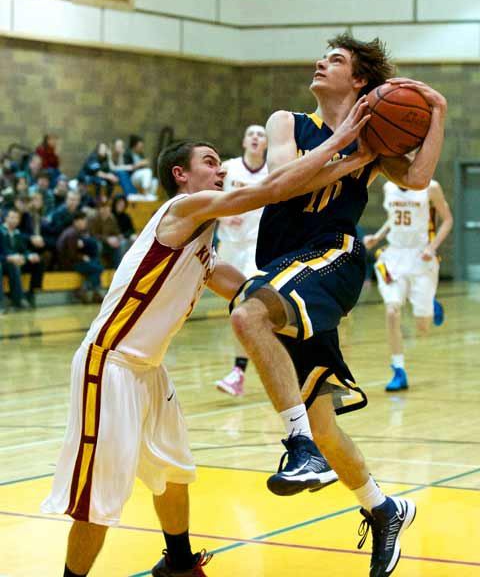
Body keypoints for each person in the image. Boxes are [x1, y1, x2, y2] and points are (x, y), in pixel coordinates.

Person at [41, 107, 373, 577]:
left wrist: (313, 305)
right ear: (181, 175)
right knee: (101, 496)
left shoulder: (203, 249)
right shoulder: (180, 210)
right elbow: (270, 190)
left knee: (174, 471)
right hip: (108, 364)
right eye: (211, 162)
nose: (222, 170)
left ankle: (179, 564)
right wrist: (345, 149)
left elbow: (250, 293)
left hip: (149, 371)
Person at [229, 33, 447, 576]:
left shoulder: (377, 133)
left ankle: (298, 447)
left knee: (246, 312)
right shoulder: (288, 122)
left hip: (333, 254)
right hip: (285, 262)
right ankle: (383, 508)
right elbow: (279, 184)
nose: (320, 63)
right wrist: (347, 150)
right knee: (324, 420)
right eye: (322, 57)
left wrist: (437, 110)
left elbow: (418, 177)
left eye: (336, 60)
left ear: (359, 82)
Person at [363, 179, 453, 391]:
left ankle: (431, 304)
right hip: (393, 256)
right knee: (392, 311)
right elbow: (393, 219)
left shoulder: (431, 188)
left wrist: (432, 247)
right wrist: (377, 237)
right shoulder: (388, 187)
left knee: (423, 326)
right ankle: (398, 369)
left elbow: (448, 220)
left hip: (421, 257)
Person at [215, 124, 268, 396]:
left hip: (257, 248)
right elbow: (209, 197)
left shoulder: (274, 170)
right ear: (244, 141)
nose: (256, 137)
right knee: (237, 309)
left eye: (261, 134)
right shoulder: (229, 168)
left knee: (243, 305)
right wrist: (222, 215)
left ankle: (238, 372)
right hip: (228, 246)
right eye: (251, 134)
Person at [0, 208, 44, 309]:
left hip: (16, 260)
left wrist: (29, 255)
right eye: (12, 217)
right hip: (4, 263)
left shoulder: (17, 233)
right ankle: (18, 299)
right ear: (5, 218)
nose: (15, 220)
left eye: (17, 218)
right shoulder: (1, 232)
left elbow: (23, 250)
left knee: (38, 261)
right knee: (13, 265)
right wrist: (9, 258)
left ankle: (32, 293)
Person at [56, 211, 104, 304]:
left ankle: (85, 291)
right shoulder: (72, 234)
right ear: (76, 222)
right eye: (83, 221)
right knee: (98, 268)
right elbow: (71, 255)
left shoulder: (73, 231)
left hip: (71, 261)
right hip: (70, 264)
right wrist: (82, 257)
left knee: (94, 267)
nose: (85, 224)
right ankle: (92, 292)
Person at [125, 135, 157, 199]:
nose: (141, 148)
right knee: (147, 172)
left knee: (154, 180)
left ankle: (150, 196)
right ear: (135, 145)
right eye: (140, 146)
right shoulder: (127, 154)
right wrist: (139, 164)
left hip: (141, 176)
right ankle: (146, 193)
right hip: (132, 177)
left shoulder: (140, 154)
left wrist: (146, 163)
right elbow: (127, 167)